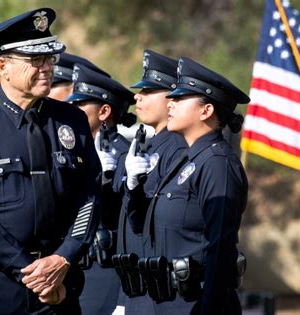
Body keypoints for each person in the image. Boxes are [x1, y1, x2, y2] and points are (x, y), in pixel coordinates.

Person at [0, 8, 101, 314]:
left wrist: (65, 257)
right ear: (2, 66)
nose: (47, 68)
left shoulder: (72, 120)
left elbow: (89, 197)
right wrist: (30, 272)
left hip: (60, 283)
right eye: (35, 60)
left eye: (50, 59)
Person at [132, 57, 249, 314]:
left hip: (198, 303)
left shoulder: (217, 163)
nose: (170, 104)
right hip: (168, 302)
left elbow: (220, 246)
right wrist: (133, 188)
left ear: (206, 111)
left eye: (181, 98)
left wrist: (209, 308)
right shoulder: (187, 159)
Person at [115, 49, 187, 314]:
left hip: (161, 290)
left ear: (171, 97)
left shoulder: (178, 146)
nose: (137, 97)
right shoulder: (150, 144)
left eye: (148, 92)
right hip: (139, 287)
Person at [66, 64, 136, 314]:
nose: (71, 110)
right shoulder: (75, 150)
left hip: (102, 270)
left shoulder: (124, 156)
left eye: (80, 105)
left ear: (104, 111)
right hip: (71, 266)